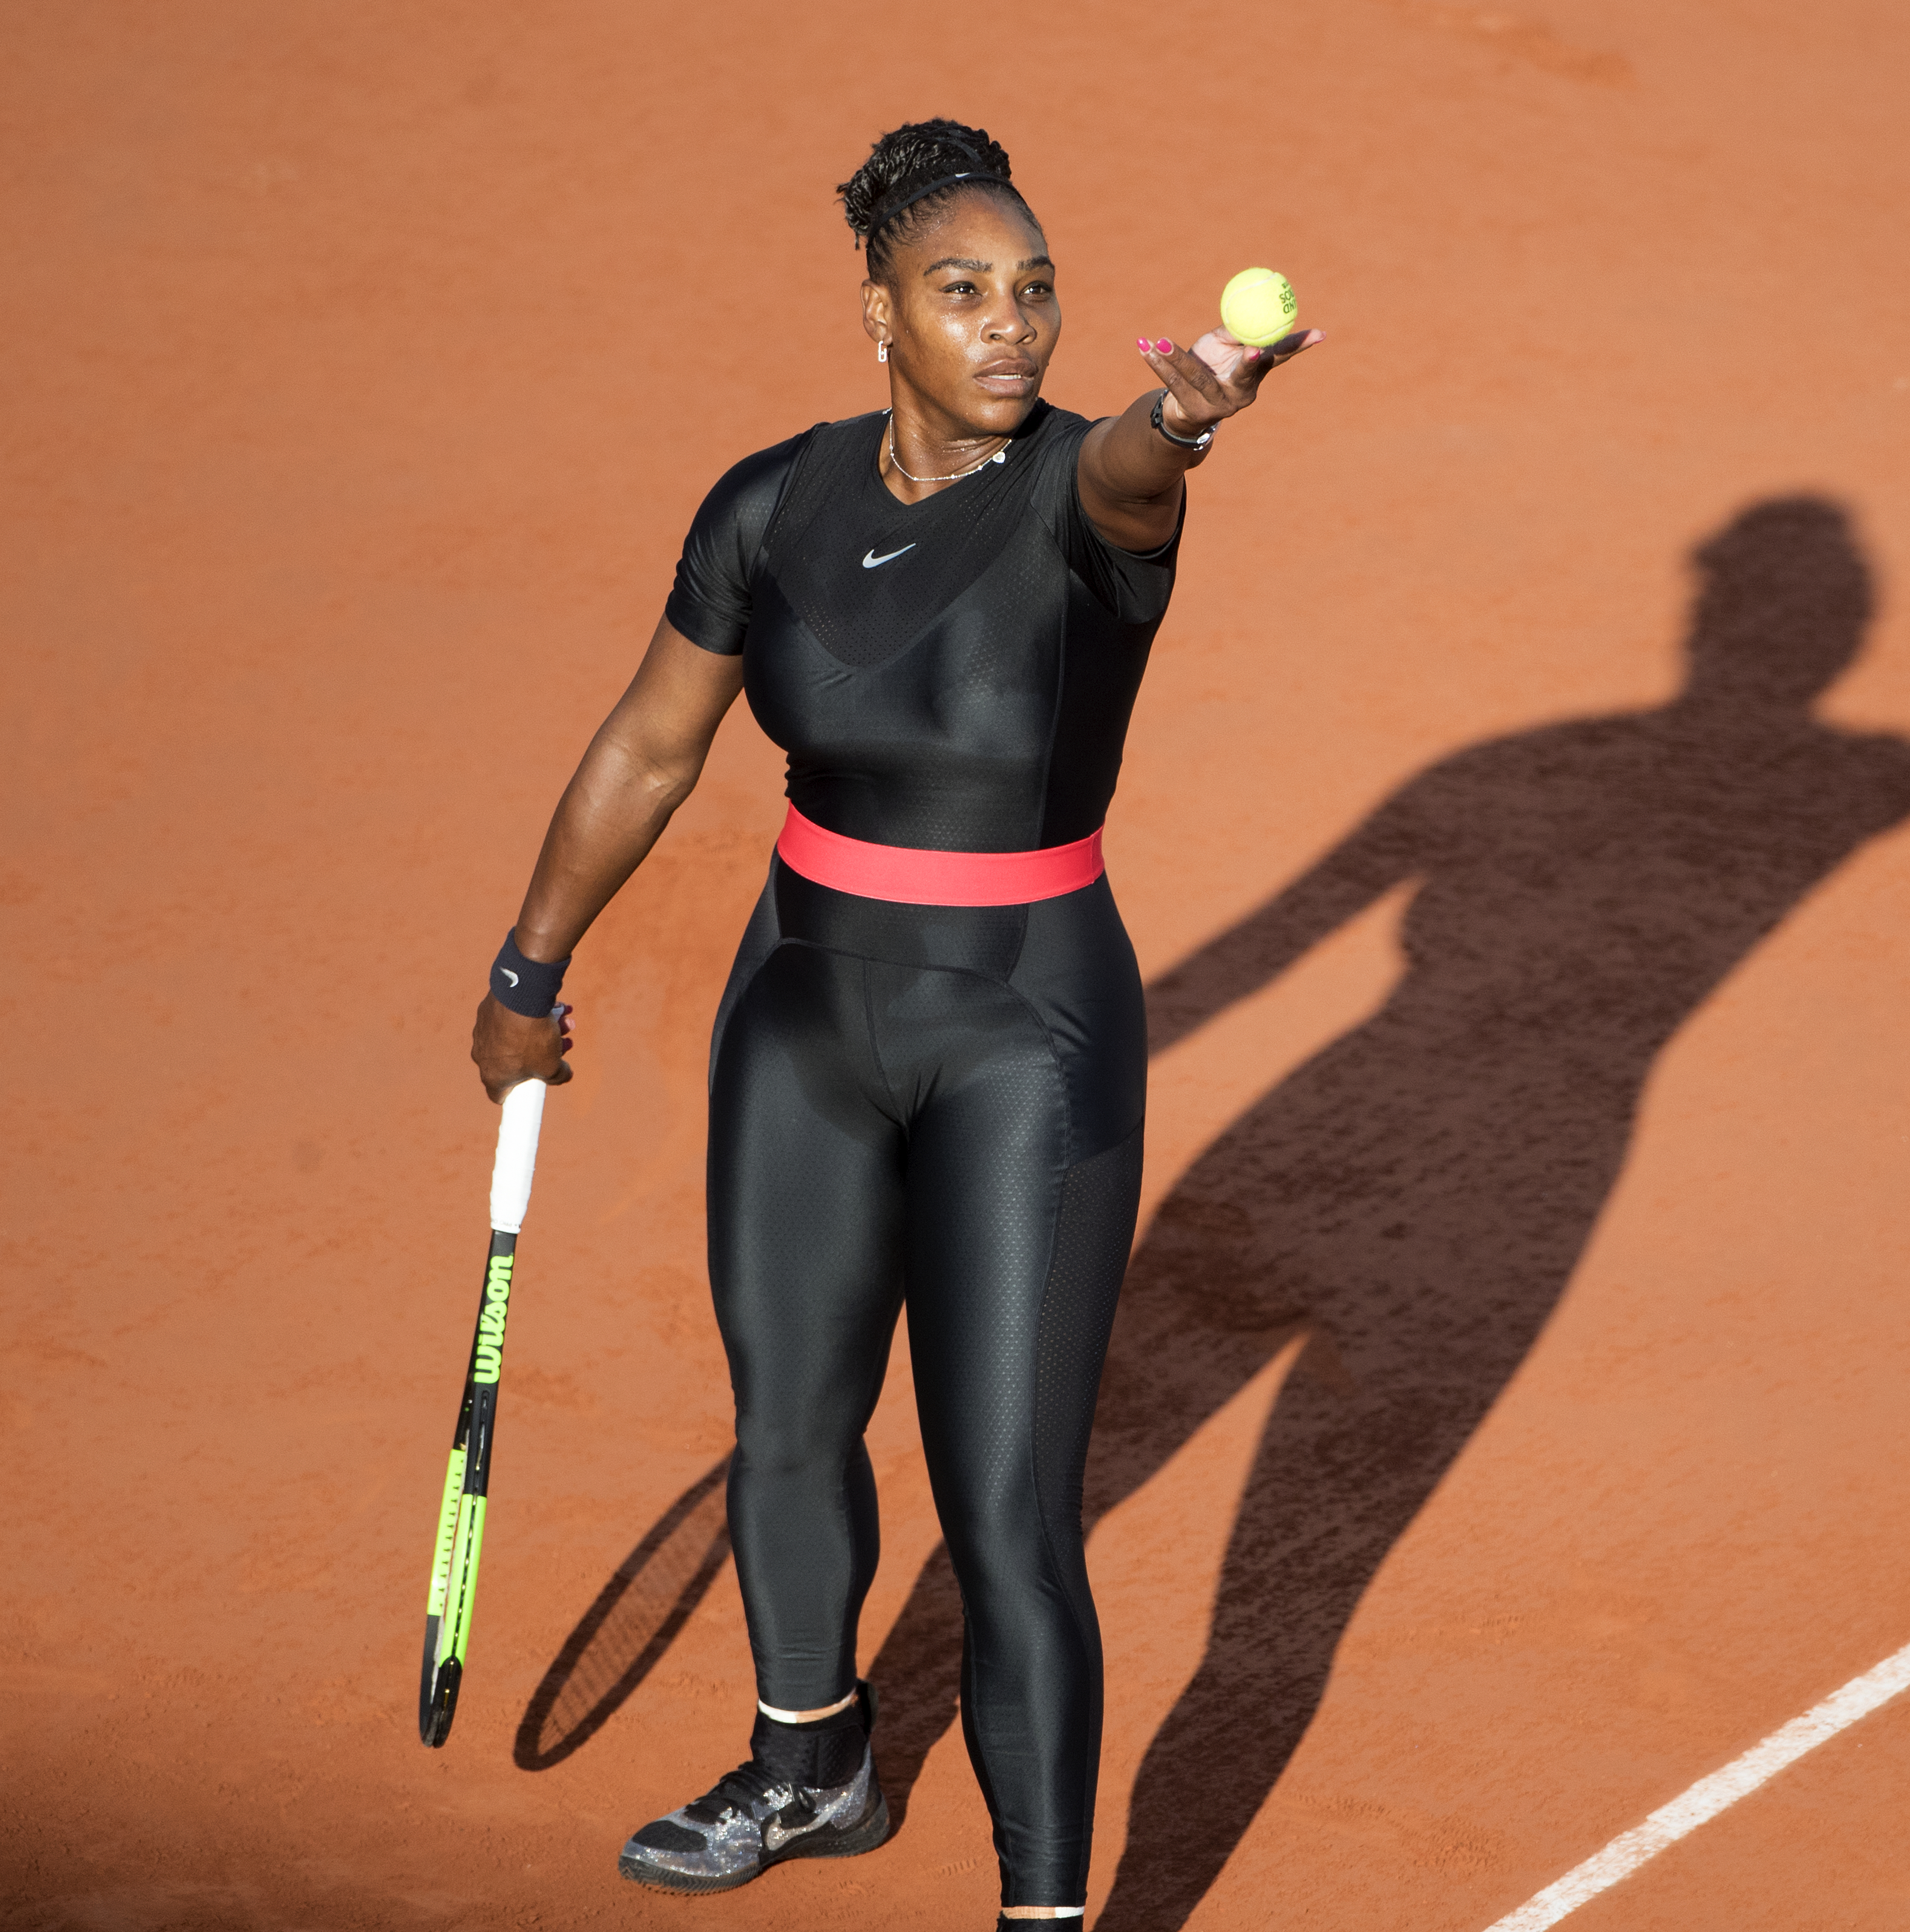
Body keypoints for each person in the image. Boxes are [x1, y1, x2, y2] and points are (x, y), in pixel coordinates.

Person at [465, 118, 1320, 1924]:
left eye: (1036, 291)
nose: (1013, 325)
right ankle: (811, 1767)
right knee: (787, 1424)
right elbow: (652, 744)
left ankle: (1043, 1911)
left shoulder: (1091, 490)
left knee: (1007, 1516)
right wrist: (528, 970)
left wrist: (1192, 419)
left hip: (1029, 1038)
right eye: (964, 291)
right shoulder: (769, 505)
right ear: (880, 313)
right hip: (801, 1009)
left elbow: (1141, 465)